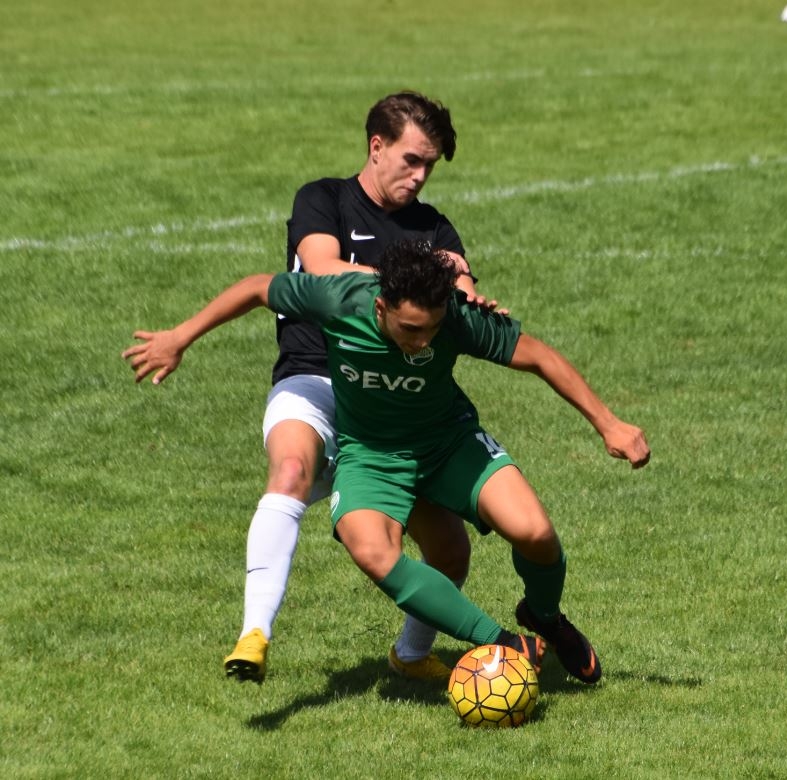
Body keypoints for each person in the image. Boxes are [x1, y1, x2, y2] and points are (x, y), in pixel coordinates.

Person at [123, 239, 651, 685]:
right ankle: (503, 644)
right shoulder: (340, 298)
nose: (422, 342)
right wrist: (179, 337)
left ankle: (544, 616)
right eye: (410, 329)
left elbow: (538, 356)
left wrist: (608, 423)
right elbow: (259, 288)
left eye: (431, 330)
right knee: (372, 549)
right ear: (380, 308)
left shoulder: (455, 318)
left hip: (448, 443)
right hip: (370, 455)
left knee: (535, 534)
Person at [132, 91, 487, 686]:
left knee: (450, 550)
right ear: (377, 146)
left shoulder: (434, 228)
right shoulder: (324, 200)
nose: (421, 176)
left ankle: (409, 654)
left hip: (392, 399)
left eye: (430, 165)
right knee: (292, 469)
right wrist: (180, 336)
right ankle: (254, 635)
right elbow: (321, 269)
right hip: (314, 377)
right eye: (412, 159)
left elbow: (464, 290)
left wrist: (469, 299)